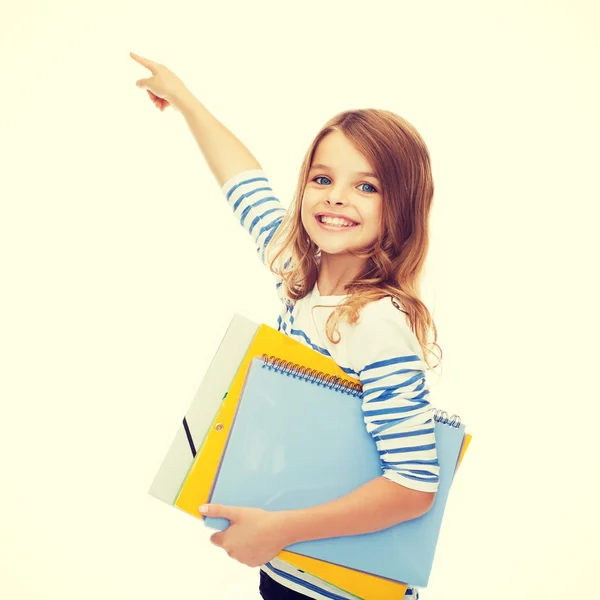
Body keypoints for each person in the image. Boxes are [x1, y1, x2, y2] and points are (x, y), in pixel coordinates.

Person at [131, 51, 443, 600]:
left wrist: (280, 530)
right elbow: (244, 184)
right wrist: (183, 98)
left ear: (403, 206)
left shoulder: (376, 323)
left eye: (366, 186)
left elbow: (414, 486)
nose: (337, 196)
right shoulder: (300, 273)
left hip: (344, 589)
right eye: (323, 178)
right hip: (288, 569)